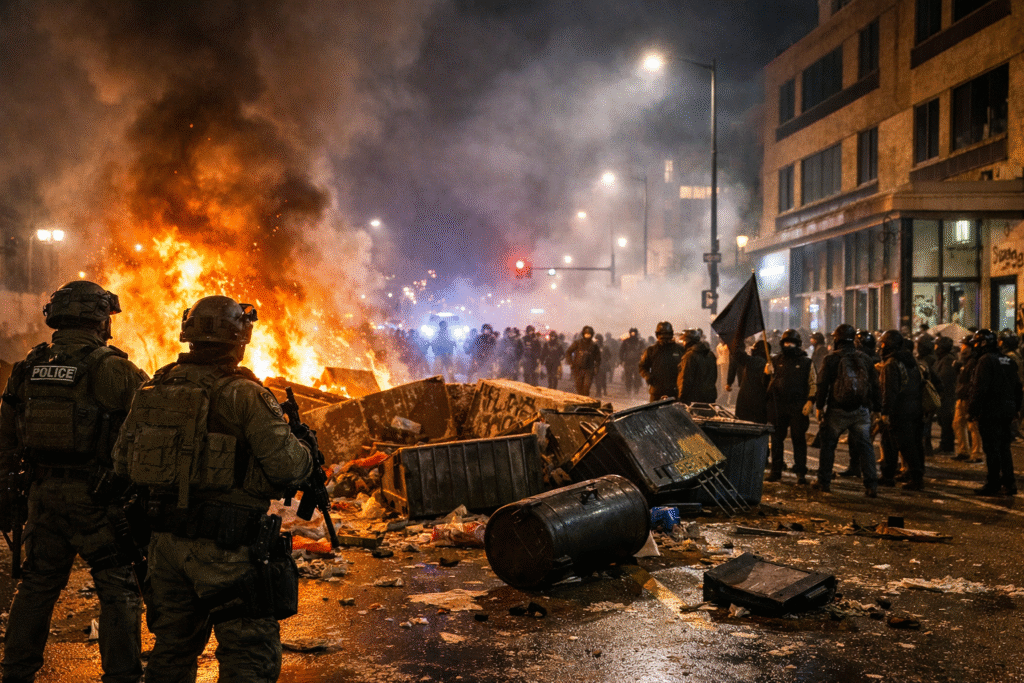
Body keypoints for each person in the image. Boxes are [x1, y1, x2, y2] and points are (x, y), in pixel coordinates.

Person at [112, 296, 313, 682]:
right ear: (240, 341)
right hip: (227, 549)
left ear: (189, 336)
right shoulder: (245, 394)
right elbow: (288, 468)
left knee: (172, 651)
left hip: (165, 546)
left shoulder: (154, 388)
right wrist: (306, 450)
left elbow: (123, 463)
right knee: (248, 655)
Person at [0, 281, 149, 683]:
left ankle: (15, 673)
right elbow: (149, 428)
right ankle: (122, 676)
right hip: (97, 499)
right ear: (100, 320)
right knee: (118, 588)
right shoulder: (113, 368)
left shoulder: (28, 366)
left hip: (42, 495)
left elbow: (7, 437)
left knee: (37, 584)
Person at [813, 323, 880, 496]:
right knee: (866, 447)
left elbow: (822, 385)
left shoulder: (831, 359)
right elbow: (875, 385)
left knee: (828, 446)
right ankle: (871, 485)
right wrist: (877, 408)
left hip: (837, 410)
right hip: (860, 410)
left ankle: (824, 482)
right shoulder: (865, 358)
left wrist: (819, 406)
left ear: (836, 339)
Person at [968, 329, 1023, 496]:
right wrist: (1016, 409)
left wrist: (973, 410)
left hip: (991, 411)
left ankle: (993, 483)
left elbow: (980, 389)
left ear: (983, 344)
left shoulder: (985, 361)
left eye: (977, 343)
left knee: (992, 449)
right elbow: (1017, 388)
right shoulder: (1007, 360)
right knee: (1004, 448)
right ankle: (1009, 482)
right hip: (1006, 410)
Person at [765, 330, 816, 484]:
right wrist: (767, 373)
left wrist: (810, 401)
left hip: (798, 406)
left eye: (792, 342)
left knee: (798, 439)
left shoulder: (806, 362)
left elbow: (813, 383)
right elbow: (766, 385)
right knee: (777, 440)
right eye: (786, 342)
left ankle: (800, 472)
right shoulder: (775, 360)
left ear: (798, 344)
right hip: (778, 405)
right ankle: (776, 471)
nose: (789, 345)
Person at [877, 330, 925, 491]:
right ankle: (889, 475)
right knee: (900, 443)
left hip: (899, 410)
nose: (881, 346)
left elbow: (889, 391)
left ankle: (915, 478)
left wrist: (885, 412)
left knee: (903, 445)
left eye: (883, 343)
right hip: (915, 407)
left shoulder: (891, 364)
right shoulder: (911, 361)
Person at [952, 336, 984, 463]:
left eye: (964, 345)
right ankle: (963, 451)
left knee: (973, 426)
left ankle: (977, 454)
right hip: (962, 396)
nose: (961, 347)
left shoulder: (975, 361)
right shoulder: (966, 361)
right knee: (958, 424)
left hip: (969, 397)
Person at [638, 322, 684, 402]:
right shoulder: (651, 350)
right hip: (657, 390)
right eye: (661, 334)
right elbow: (642, 366)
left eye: (667, 334)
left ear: (671, 334)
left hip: (674, 390)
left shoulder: (680, 350)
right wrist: (648, 376)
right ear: (657, 335)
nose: (664, 337)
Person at [725, 339, 769, 422]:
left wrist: (734, 341)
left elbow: (737, 356)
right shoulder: (768, 363)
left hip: (748, 401)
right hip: (759, 403)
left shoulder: (754, 361)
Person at [677, 329, 718, 405]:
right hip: (709, 396)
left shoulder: (689, 356)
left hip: (693, 398)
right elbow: (714, 376)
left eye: (684, 341)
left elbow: (685, 379)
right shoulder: (710, 354)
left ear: (688, 341)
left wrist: (681, 397)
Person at [933, 336, 958, 454]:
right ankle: (945, 444)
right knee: (943, 420)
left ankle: (947, 446)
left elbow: (944, 378)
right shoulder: (942, 358)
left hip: (947, 395)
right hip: (945, 395)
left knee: (946, 421)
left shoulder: (948, 359)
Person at [564, 326, 601, 396]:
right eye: (586, 334)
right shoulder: (577, 343)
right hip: (578, 368)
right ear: (583, 334)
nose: (587, 336)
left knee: (586, 388)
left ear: (592, 334)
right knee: (579, 388)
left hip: (589, 369)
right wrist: (570, 363)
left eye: (589, 334)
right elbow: (568, 352)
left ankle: (585, 403)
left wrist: (596, 367)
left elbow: (598, 358)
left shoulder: (594, 345)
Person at [618, 328, 644, 396]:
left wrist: (643, 360)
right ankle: (628, 390)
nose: (633, 334)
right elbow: (621, 351)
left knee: (637, 377)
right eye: (631, 333)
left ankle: (636, 390)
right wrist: (621, 360)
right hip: (628, 362)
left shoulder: (640, 342)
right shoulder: (626, 342)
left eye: (634, 333)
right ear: (630, 333)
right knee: (628, 378)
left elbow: (644, 351)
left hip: (637, 362)